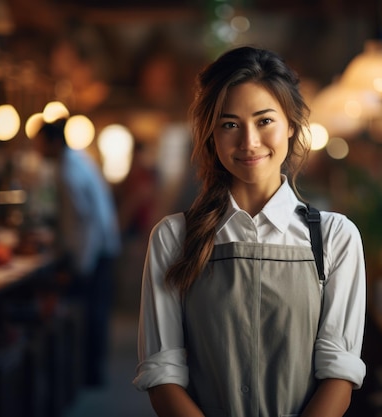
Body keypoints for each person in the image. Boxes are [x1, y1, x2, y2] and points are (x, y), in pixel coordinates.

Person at [132, 46, 366, 417]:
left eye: (264, 121)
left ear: (291, 124)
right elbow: (163, 375)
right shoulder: (173, 238)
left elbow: (339, 375)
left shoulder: (336, 238)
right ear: (211, 135)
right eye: (229, 125)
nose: (248, 142)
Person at [33, 118, 121, 387]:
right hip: (100, 246)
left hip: (95, 250)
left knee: (92, 314)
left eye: (40, 143)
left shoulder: (69, 171)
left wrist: (80, 266)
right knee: (94, 314)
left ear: (54, 142)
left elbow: (84, 222)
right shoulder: (75, 161)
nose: (37, 150)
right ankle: (90, 374)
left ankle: (90, 376)